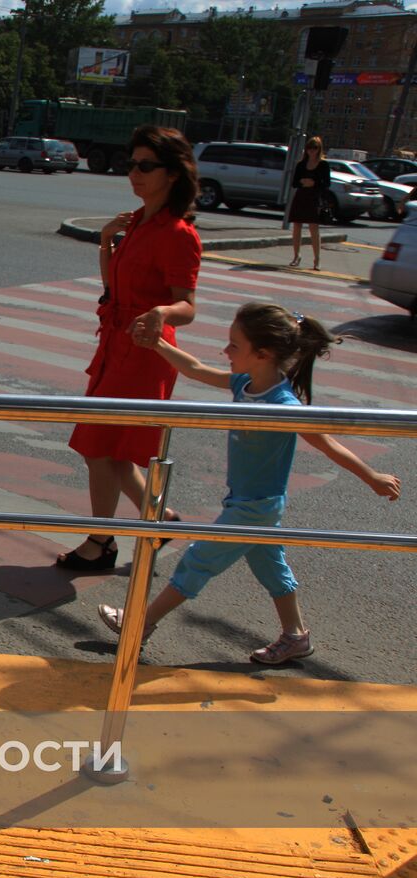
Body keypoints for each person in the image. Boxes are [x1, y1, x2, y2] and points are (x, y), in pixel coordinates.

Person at [98, 302, 401, 664]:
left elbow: (327, 443)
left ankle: (140, 623)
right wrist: (158, 345)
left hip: (255, 507)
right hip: (251, 502)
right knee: (272, 568)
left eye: (234, 346)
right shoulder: (245, 383)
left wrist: (372, 476)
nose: (225, 351)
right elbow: (195, 369)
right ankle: (295, 636)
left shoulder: (282, 405)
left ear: (263, 354)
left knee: (198, 561)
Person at [57, 125, 202, 572]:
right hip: (116, 344)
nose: (134, 174)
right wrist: (105, 242)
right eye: (131, 165)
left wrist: (161, 311)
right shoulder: (135, 221)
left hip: (145, 352)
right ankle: (158, 521)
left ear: (173, 173)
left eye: (145, 166)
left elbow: (189, 306)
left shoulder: (178, 233)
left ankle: (100, 543)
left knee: (100, 446)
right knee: (111, 450)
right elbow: (111, 285)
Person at [288, 136, 330, 271]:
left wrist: (314, 183)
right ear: (306, 149)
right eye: (309, 148)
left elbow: (327, 183)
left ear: (319, 149)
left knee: (313, 228)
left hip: (314, 196)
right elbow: (294, 182)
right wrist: (302, 182)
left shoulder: (323, 164)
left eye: (315, 148)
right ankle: (296, 256)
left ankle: (317, 259)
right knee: (297, 226)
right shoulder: (301, 164)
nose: (312, 151)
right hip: (301, 195)